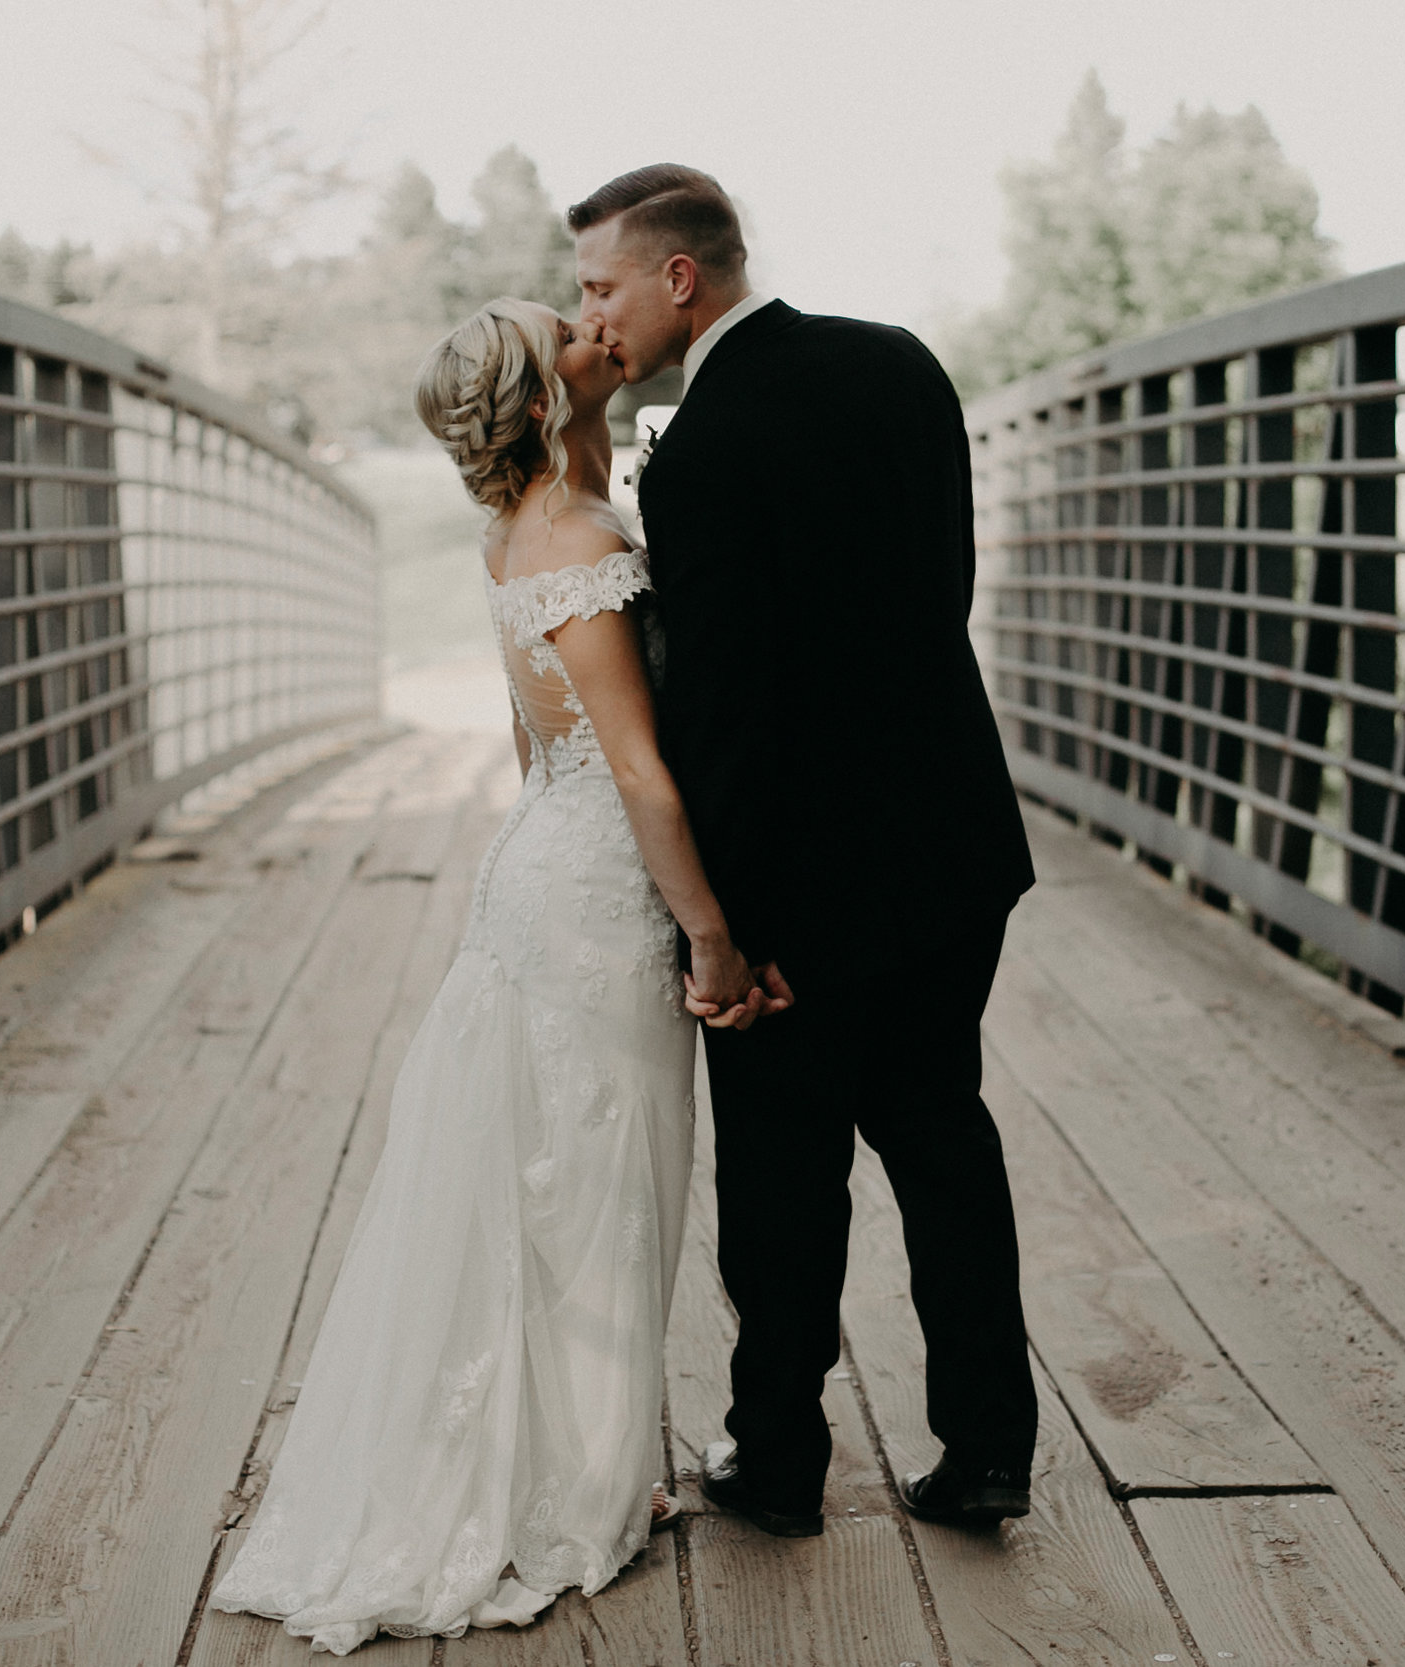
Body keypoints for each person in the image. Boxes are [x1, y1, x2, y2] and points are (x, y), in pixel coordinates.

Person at [208, 296, 772, 1652]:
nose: (592, 336)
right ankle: (574, 1485)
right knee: (598, 1176)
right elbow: (635, 766)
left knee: (558, 1174)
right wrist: (708, 935)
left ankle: (585, 1454)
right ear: (534, 403)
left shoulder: (521, 527)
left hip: (541, 873)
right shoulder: (576, 539)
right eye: (562, 338)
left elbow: (540, 750)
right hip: (595, 897)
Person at [571, 165, 1039, 1539]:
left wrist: (727, 925)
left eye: (601, 285)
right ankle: (989, 1450)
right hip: (951, 844)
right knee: (943, 1137)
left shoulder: (703, 446)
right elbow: (939, 592)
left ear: (677, 279)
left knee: (781, 1178)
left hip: (797, 881)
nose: (587, 315)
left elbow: (726, 713)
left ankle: (776, 1464)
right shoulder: (900, 363)